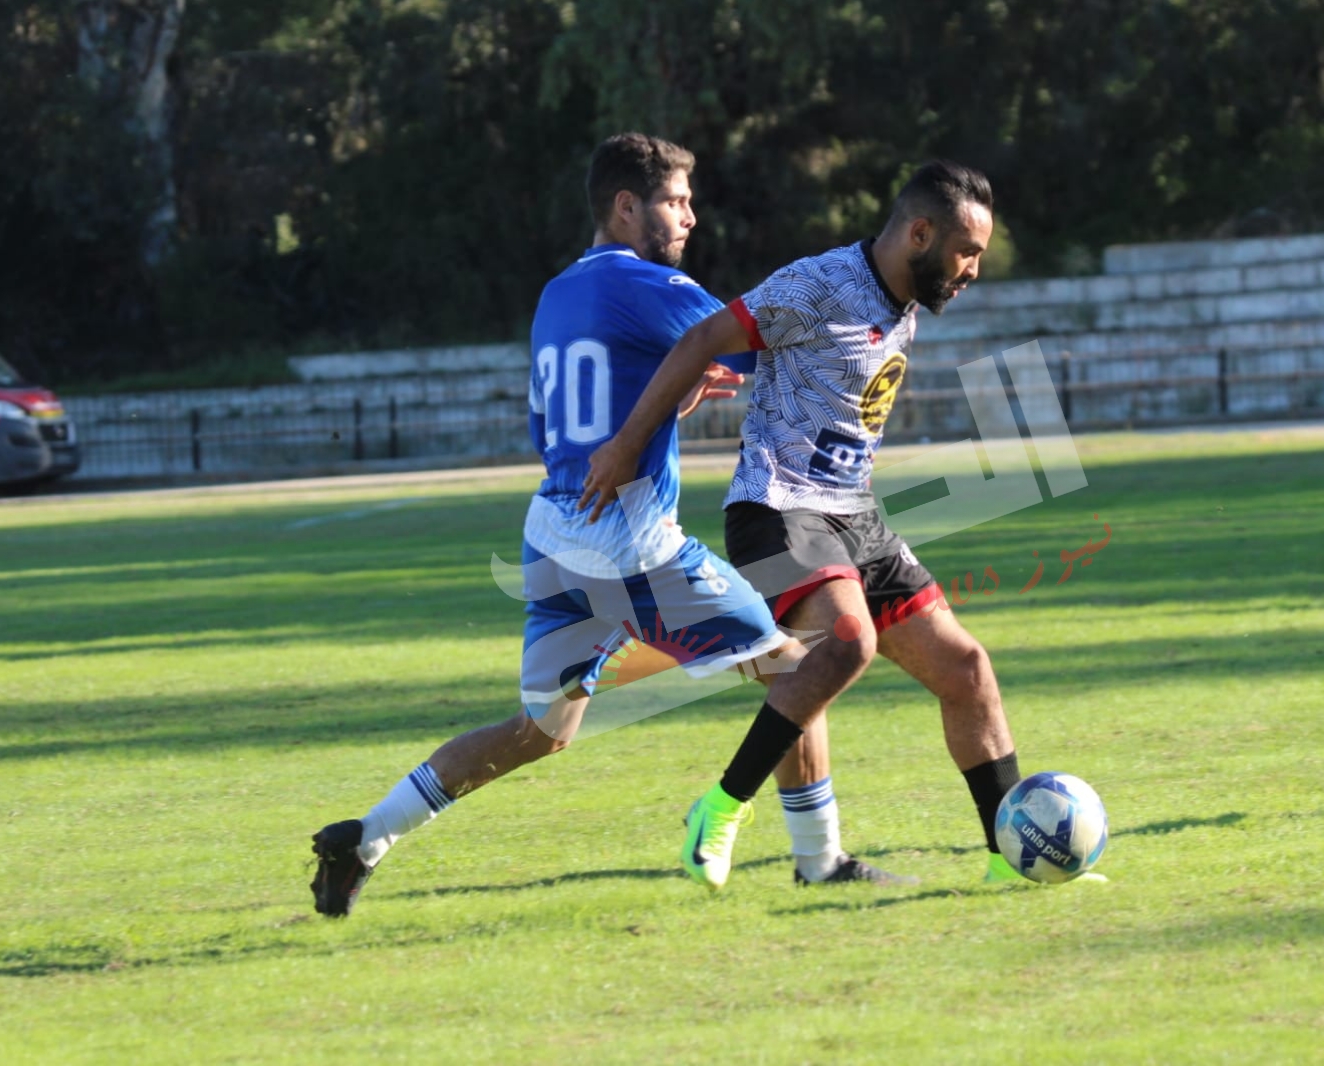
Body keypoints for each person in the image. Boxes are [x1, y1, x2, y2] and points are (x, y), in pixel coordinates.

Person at [309, 133, 910, 918]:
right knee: (802, 669)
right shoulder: (650, 285)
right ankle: (818, 859)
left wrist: (664, 401)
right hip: (629, 549)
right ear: (625, 207)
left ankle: (365, 839)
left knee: (541, 731)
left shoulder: (557, 293)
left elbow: (557, 419)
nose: (689, 217)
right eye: (674, 201)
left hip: (553, 537)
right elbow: (757, 345)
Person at [581, 160, 1029, 888]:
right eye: (965, 251)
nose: (973, 268)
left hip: (854, 514)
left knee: (966, 670)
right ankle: (721, 806)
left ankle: (1013, 858)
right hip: (776, 509)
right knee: (846, 643)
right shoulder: (817, 285)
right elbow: (699, 341)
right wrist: (627, 444)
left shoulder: (907, 292)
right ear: (919, 233)